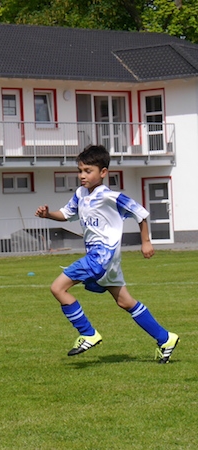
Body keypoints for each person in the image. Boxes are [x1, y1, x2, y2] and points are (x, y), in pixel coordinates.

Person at [35, 144, 179, 363]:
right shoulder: (80, 194)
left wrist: (146, 242)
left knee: (58, 287)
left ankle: (88, 333)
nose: (82, 176)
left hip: (101, 256)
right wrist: (48, 215)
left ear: (103, 172)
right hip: (106, 260)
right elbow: (66, 214)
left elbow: (140, 213)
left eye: (88, 171)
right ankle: (166, 338)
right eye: (80, 171)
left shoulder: (110, 196)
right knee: (125, 302)